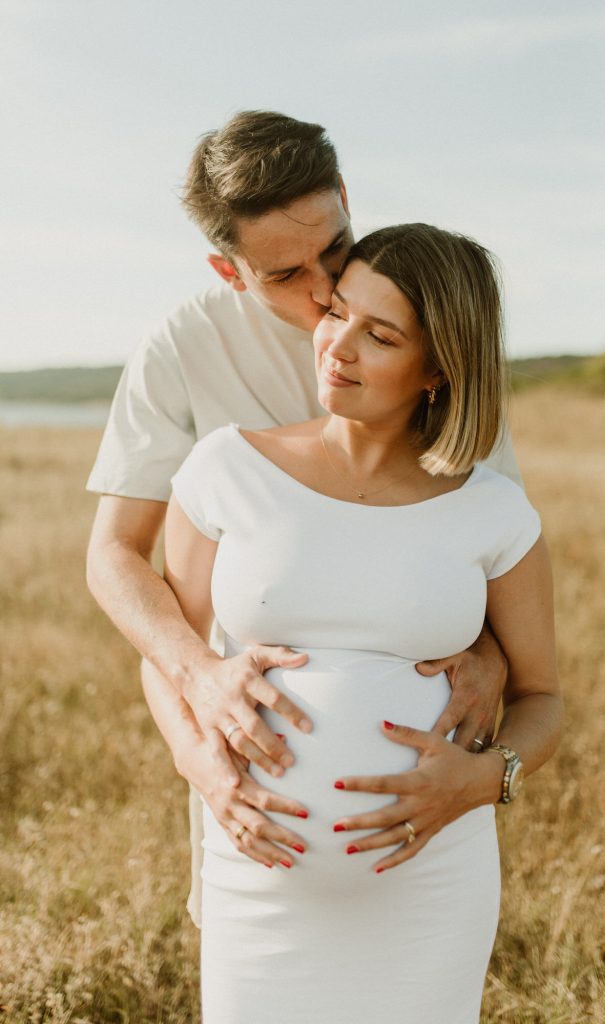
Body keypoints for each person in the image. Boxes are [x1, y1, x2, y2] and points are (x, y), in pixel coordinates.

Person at [85, 111, 521, 925]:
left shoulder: (430, 323)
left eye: (335, 245)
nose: (326, 290)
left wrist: (492, 651)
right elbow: (114, 554)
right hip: (248, 784)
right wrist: (197, 703)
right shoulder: (180, 349)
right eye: (287, 274)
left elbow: (487, 535)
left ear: (346, 198)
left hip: (422, 835)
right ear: (229, 269)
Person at [164, 224, 563, 1022]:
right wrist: (198, 764)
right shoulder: (226, 469)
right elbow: (168, 653)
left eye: (379, 335)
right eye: (337, 312)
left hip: (431, 887)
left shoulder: (492, 512)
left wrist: (487, 779)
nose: (336, 345)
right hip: (257, 874)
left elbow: (544, 696)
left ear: (438, 369)